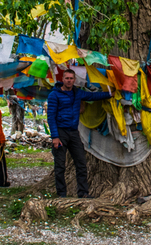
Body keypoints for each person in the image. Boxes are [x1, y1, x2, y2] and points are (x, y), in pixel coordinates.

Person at [46, 70, 111, 198]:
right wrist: (55, 136)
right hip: (60, 132)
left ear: (74, 80)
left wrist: (110, 94)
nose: (69, 80)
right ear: (63, 79)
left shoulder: (77, 93)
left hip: (74, 132)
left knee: (81, 163)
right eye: (67, 78)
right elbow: (50, 117)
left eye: (71, 78)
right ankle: (61, 195)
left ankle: (83, 193)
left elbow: (92, 96)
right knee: (60, 165)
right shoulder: (54, 95)